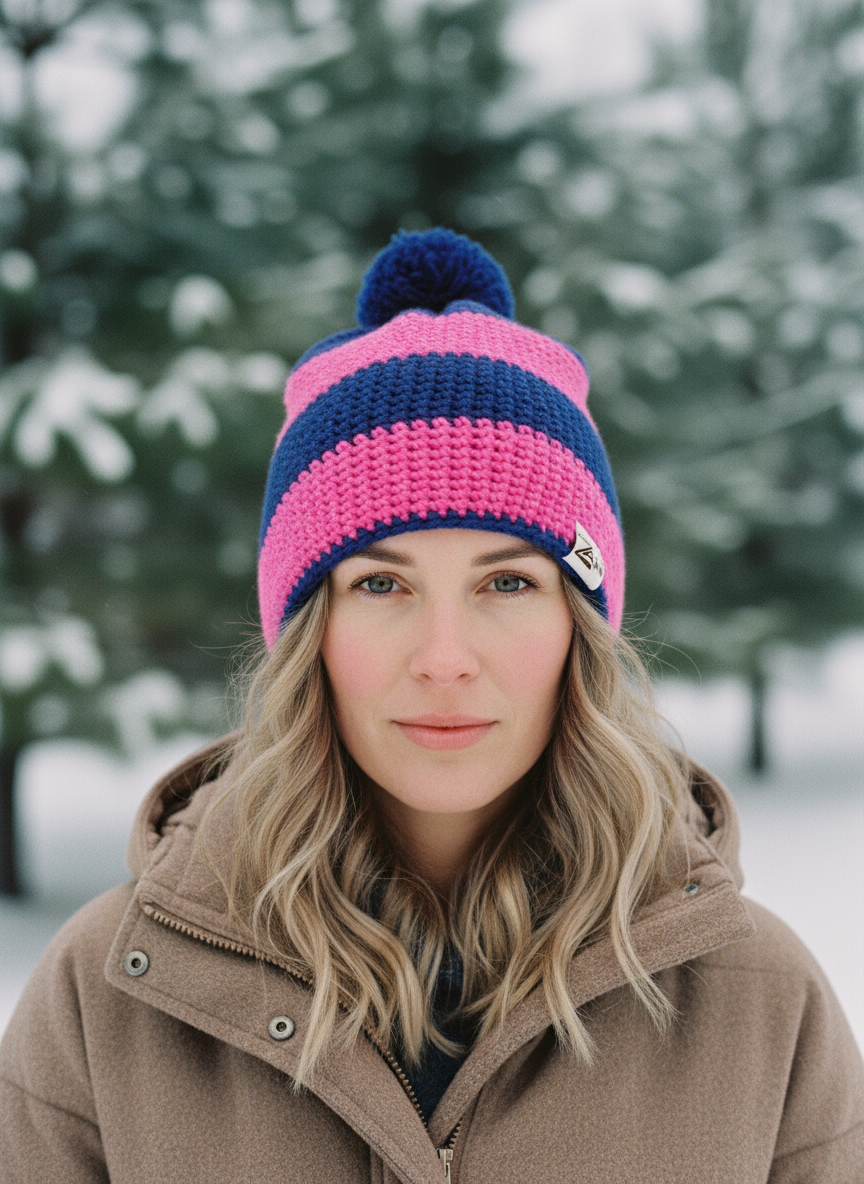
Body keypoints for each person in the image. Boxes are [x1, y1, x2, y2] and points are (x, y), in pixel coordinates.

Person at [0, 229, 861, 1183]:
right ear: (306, 636)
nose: (445, 660)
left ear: (580, 626)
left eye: (508, 585)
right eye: (379, 585)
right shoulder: (109, 999)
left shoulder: (758, 1007)